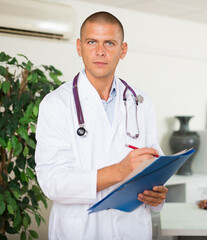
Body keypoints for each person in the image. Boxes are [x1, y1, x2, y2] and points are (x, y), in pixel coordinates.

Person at [35, 11, 168, 240]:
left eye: (109, 43)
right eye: (91, 42)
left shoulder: (141, 102)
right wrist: (118, 171)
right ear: (79, 47)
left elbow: (154, 162)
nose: (100, 51)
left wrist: (157, 194)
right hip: (79, 230)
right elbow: (52, 182)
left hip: (131, 228)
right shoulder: (56, 104)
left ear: (122, 50)